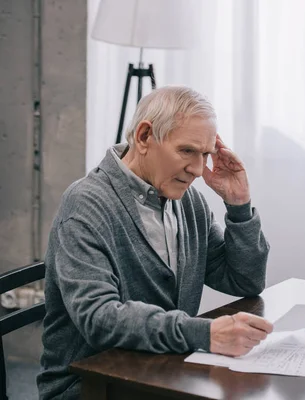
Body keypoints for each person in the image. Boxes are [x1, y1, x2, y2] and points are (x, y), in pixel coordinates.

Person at [37, 86, 273, 400]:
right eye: (187, 151)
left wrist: (239, 206)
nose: (198, 170)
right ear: (145, 137)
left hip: (162, 372)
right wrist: (205, 333)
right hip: (90, 387)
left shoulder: (189, 203)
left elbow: (245, 280)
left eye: (205, 154)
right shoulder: (86, 205)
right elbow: (100, 318)